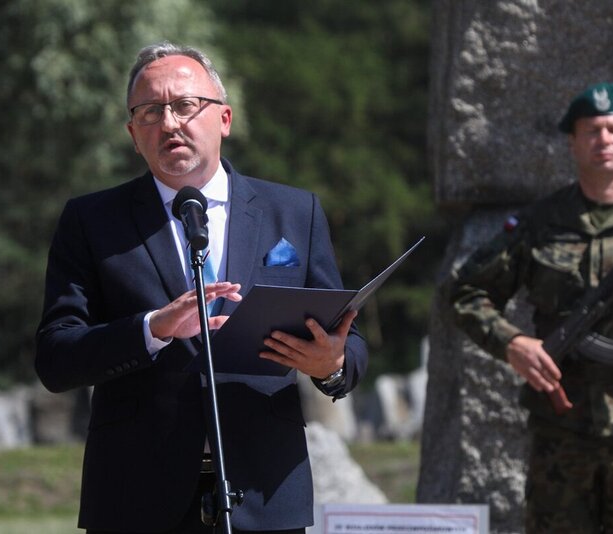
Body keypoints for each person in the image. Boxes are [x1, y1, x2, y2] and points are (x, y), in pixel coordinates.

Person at [35, 41, 368, 534]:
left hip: (265, 493)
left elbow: (348, 340)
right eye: (151, 111)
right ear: (133, 134)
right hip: (136, 496)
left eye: (185, 105)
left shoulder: (295, 213)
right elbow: (56, 357)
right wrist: (154, 328)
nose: (170, 123)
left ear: (224, 119)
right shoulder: (92, 222)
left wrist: (331, 365)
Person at [448, 82, 613, 533]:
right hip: (561, 430)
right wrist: (511, 343)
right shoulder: (541, 223)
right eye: (592, 130)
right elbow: (465, 293)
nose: (604, 139)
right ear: (573, 143)